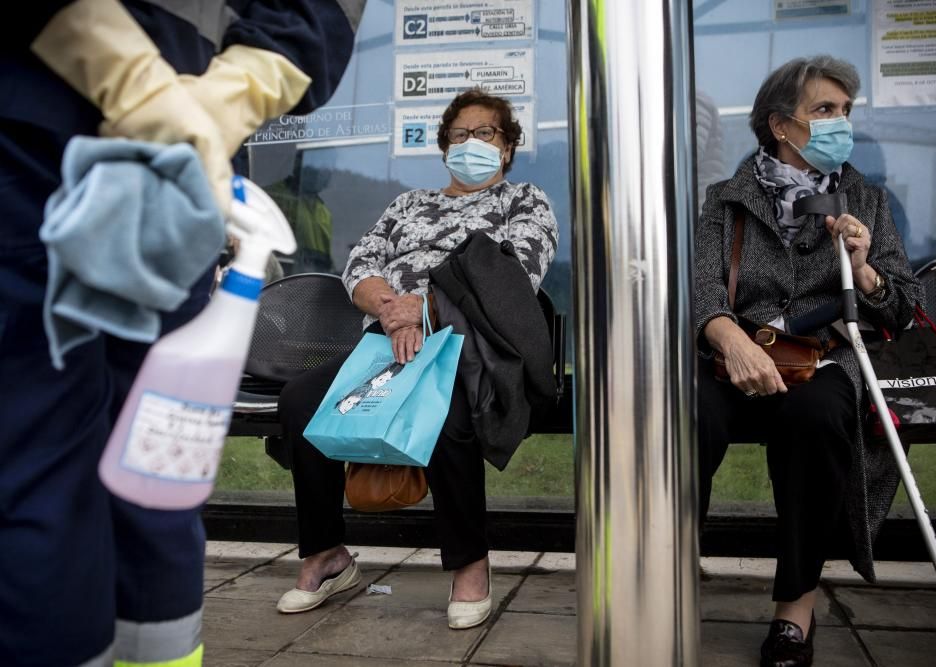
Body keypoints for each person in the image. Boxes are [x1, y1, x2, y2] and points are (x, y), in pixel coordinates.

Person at [0, 1, 363, 665]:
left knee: (44, 465)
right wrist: (224, 98)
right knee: (159, 456)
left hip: (39, 121)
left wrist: (142, 85)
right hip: (191, 160)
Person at [276, 89, 558, 629]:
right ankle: (327, 554)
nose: (471, 143)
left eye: (486, 133)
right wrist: (390, 308)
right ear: (443, 146)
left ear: (508, 147)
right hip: (386, 342)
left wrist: (423, 308)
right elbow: (360, 265)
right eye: (460, 134)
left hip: (468, 348)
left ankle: (470, 565)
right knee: (301, 404)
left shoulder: (523, 201)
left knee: (448, 411)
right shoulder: (406, 205)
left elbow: (515, 278)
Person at [694, 55, 923, 667]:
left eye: (844, 111)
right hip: (738, 355)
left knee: (817, 418)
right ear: (779, 125)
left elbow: (903, 308)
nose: (838, 123)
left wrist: (865, 267)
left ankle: (795, 609)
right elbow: (703, 288)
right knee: (686, 416)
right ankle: (670, 558)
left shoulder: (868, 202)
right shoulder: (727, 200)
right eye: (823, 110)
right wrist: (732, 341)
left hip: (823, 363)